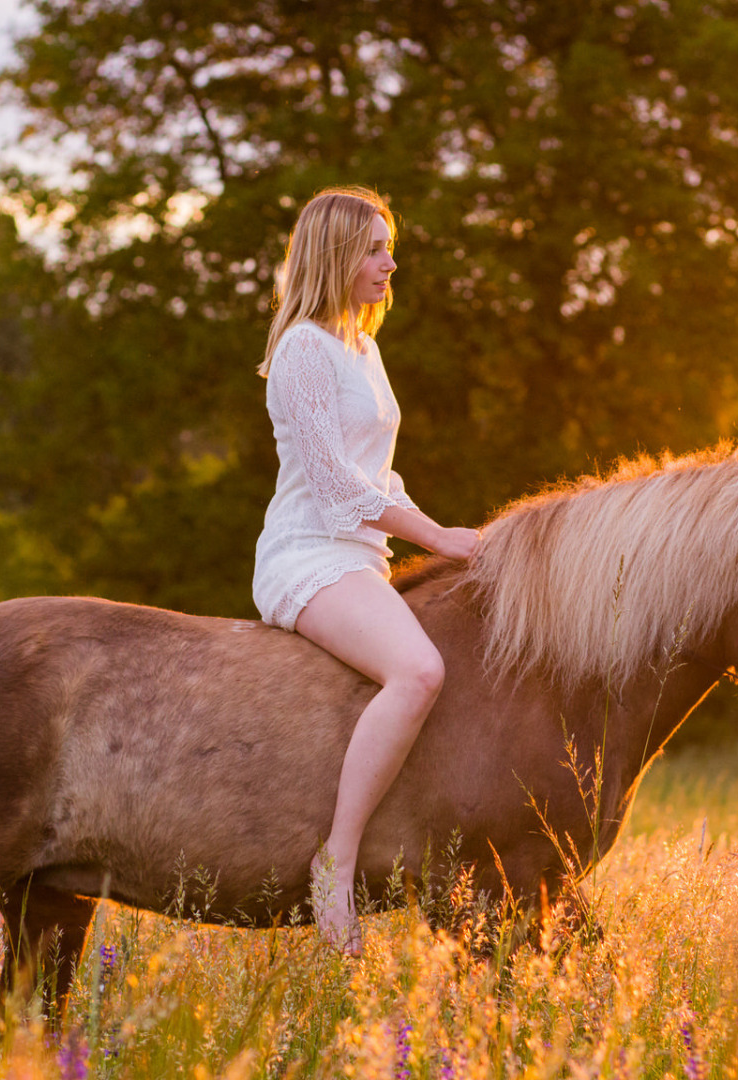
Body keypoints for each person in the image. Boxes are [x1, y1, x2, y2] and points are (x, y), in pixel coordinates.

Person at [251, 187, 479, 954]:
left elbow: (378, 476)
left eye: (390, 248)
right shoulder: (305, 350)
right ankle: (336, 862)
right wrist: (439, 538)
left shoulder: (363, 348)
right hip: (307, 553)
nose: (390, 263)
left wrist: (438, 525)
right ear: (335, 254)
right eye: (375, 248)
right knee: (418, 670)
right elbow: (336, 485)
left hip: (360, 553)